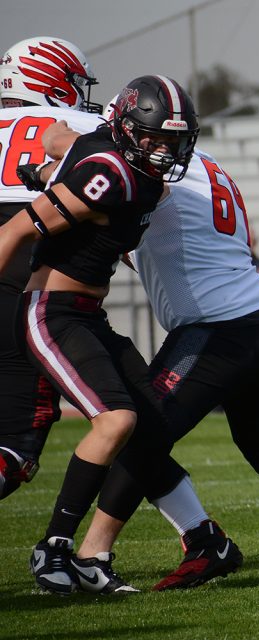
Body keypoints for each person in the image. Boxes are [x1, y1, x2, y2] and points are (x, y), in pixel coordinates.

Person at [38, 107, 259, 594]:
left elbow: (57, 141)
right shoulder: (201, 163)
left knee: (138, 433)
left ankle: (97, 552)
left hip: (214, 326)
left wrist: (59, 145)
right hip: (258, 316)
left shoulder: (144, 166)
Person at [0, 75, 200, 595]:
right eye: (153, 137)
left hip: (87, 314)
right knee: (116, 421)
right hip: (51, 311)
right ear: (127, 129)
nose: (163, 149)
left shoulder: (117, 162)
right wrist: (53, 175)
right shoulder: (113, 174)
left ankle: (95, 556)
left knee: (152, 423)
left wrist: (50, 163)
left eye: (173, 140)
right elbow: (15, 231)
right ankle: (55, 550)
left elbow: (61, 138)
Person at [0, 36, 103, 500]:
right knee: (15, 448)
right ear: (54, 84)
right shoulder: (82, 127)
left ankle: (199, 531)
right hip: (27, 296)